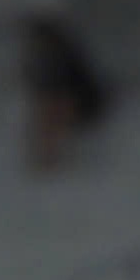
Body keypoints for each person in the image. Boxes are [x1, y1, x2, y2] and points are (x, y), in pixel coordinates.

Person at [18, 14, 109, 172]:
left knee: (51, 125)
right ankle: (50, 162)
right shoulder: (54, 54)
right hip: (67, 100)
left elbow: (59, 82)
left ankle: (51, 163)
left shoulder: (60, 55)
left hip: (72, 100)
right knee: (49, 125)